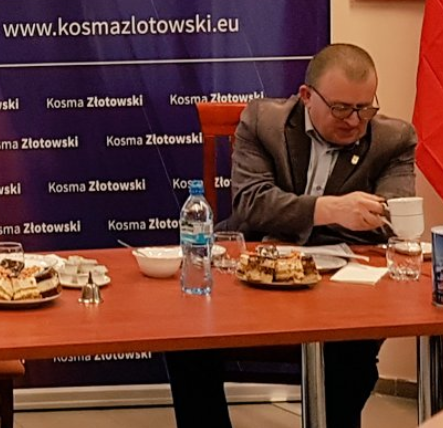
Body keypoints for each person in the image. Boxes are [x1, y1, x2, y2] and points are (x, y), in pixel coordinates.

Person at [166, 43, 416, 428]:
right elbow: (252, 204)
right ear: (306, 96)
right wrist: (331, 209)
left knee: (353, 359)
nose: (354, 121)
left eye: (364, 108)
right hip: (252, 276)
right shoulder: (263, 122)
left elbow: (392, 218)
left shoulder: (393, 139)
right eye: (341, 108)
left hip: (342, 287)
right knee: (186, 340)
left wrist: (297, 216)